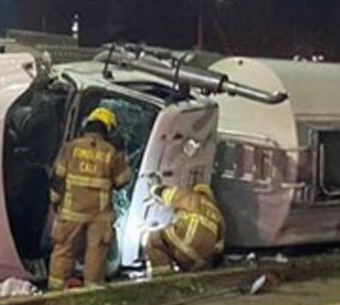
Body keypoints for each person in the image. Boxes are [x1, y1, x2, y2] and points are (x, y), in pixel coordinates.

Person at [47, 107, 132, 290]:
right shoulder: (110, 151)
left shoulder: (71, 148)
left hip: (71, 210)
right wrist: (122, 154)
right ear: (108, 129)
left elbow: (58, 177)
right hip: (99, 214)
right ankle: (92, 291)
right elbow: (122, 181)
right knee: (96, 252)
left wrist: (54, 201)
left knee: (64, 249)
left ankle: (55, 289)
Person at [145, 183, 225, 277]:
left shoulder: (192, 196)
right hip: (202, 260)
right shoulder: (218, 214)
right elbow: (220, 246)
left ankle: (161, 279)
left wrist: (153, 189)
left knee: (154, 239)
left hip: (187, 242)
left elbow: (167, 194)